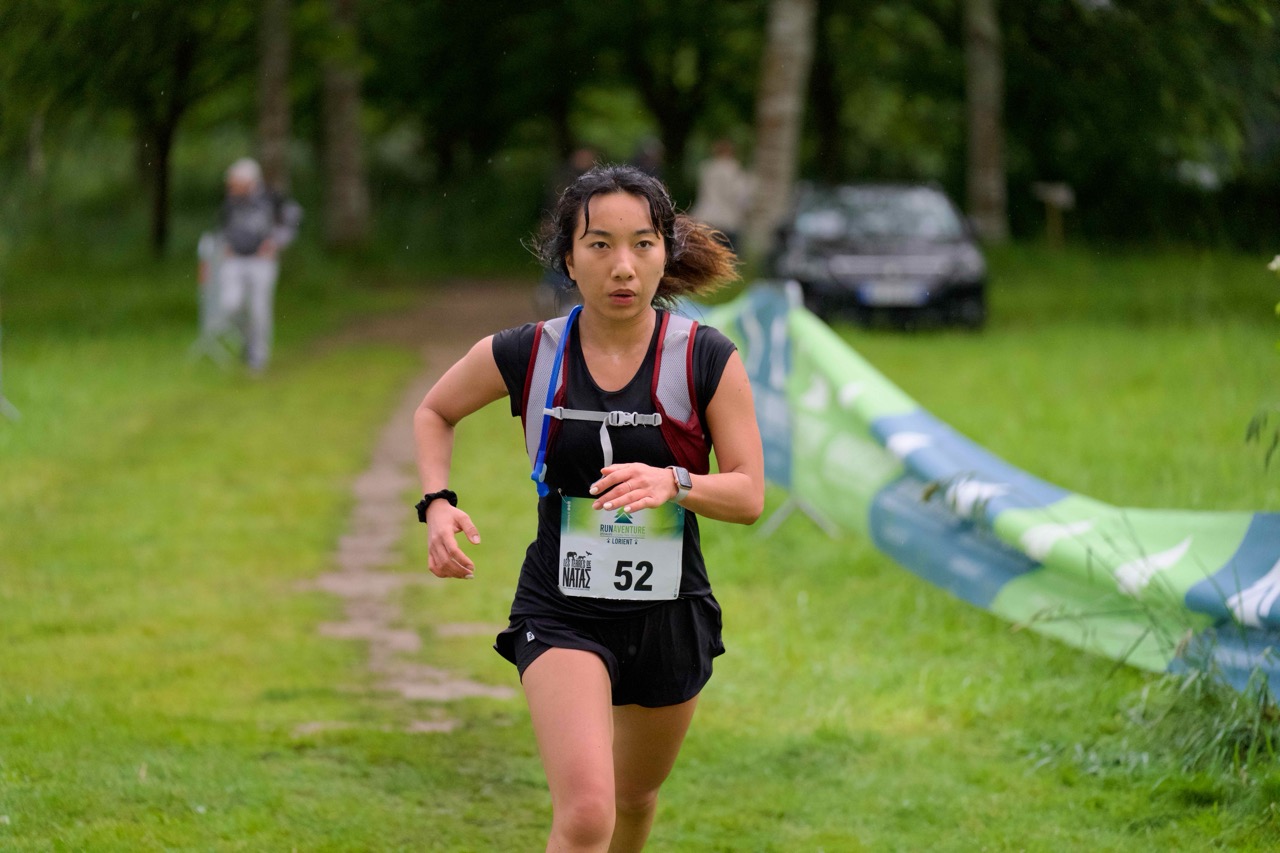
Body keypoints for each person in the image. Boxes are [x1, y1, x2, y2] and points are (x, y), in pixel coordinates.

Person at [413, 164, 765, 852]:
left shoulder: (705, 358)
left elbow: (749, 493)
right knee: (585, 814)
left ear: (665, 253)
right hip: (561, 606)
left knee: (634, 799)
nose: (622, 266)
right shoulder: (530, 351)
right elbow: (435, 410)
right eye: (599, 245)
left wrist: (676, 482)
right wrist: (437, 503)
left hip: (669, 611)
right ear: (568, 260)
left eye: (642, 244)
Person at [207, 157, 300, 372]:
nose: (230, 187)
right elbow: (223, 225)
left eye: (234, 183)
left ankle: (258, 358)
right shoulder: (230, 200)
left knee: (259, 309)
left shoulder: (271, 197)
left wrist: (276, 242)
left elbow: (293, 217)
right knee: (230, 305)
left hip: (261, 261)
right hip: (235, 260)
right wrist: (225, 244)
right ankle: (248, 340)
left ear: (248, 181)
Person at [689, 139, 752, 252]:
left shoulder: (707, 169)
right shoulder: (734, 171)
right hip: (728, 221)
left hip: (705, 217)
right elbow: (739, 196)